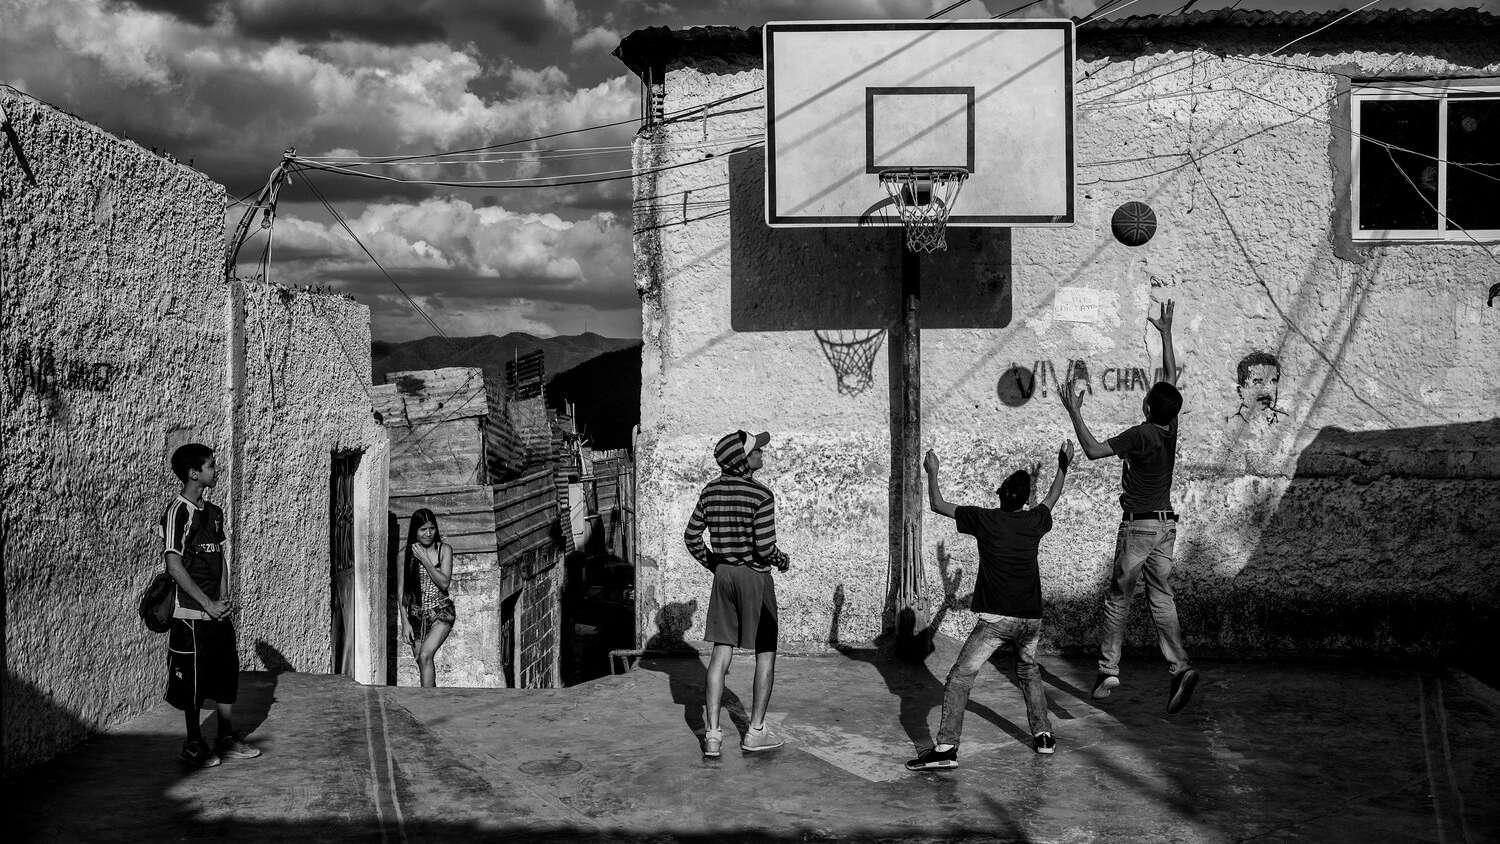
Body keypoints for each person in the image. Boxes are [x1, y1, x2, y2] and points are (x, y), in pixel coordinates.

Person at [1060, 299, 1200, 714]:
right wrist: (1166, 333)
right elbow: (1170, 380)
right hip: (1166, 526)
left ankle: (1108, 670)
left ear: (1147, 407)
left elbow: (1092, 450)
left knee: (1119, 597)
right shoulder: (1169, 427)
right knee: (1162, 597)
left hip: (1138, 526)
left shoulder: (1140, 434)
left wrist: (1074, 413)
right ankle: (1180, 666)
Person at [905, 442, 1074, 771]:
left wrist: (933, 472)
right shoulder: (1035, 520)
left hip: (997, 621)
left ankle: (946, 748)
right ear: (1025, 500)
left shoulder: (985, 519)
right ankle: (1043, 735)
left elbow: (938, 504)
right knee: (1028, 671)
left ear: (999, 495)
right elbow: (1052, 498)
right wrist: (1062, 466)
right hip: (1031, 620)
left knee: (960, 677)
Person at [684, 430, 791, 757]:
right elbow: (765, 547)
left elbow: (691, 537)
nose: (761, 453)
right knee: (765, 652)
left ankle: (713, 736)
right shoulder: (761, 495)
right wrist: (782, 561)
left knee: (721, 652)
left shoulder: (710, 492)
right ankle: (755, 732)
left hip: (724, 577)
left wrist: (716, 564)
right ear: (744, 460)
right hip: (755, 578)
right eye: (756, 450)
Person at [162, 443, 261, 768]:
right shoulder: (177, 512)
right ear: (194, 473)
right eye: (211, 466)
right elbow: (174, 565)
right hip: (190, 616)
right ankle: (193, 744)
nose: (216, 471)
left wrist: (224, 598)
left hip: (218, 615)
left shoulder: (215, 513)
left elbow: (220, 558)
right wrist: (206, 603)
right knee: (193, 682)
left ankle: (226, 737)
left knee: (226, 675)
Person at [399, 509, 455, 688]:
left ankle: (428, 700)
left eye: (432, 528)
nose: (428, 533)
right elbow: (401, 592)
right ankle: (432, 697)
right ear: (415, 531)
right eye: (423, 529)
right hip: (416, 616)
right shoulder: (404, 555)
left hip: (441, 612)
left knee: (425, 656)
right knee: (421, 660)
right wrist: (405, 622)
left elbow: (444, 583)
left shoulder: (444, 550)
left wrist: (425, 560)